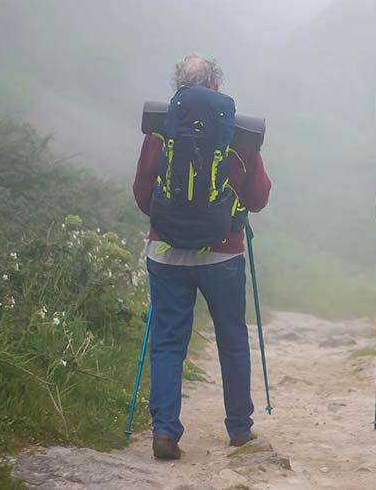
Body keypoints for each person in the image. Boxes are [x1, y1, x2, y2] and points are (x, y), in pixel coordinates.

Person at [133, 54, 272, 460]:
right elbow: (259, 198)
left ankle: (164, 430)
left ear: (178, 85)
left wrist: (172, 220)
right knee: (232, 340)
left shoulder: (160, 128)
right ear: (217, 85)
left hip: (165, 253)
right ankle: (240, 430)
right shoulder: (241, 133)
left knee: (168, 342)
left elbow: (144, 195)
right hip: (223, 255)